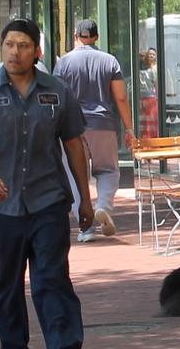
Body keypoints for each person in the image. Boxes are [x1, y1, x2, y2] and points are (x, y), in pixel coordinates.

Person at [0, 17, 95, 349]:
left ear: (37, 51)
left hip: (48, 201)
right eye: (9, 45)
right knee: (9, 281)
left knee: (51, 277)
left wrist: (85, 199)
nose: (15, 52)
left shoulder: (57, 91)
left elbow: (75, 145)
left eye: (23, 45)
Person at [54, 19, 132, 240]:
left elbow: (56, 98)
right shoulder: (110, 61)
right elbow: (121, 97)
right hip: (103, 123)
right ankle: (104, 208)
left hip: (72, 127)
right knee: (108, 170)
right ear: (97, 37)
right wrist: (129, 128)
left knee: (74, 174)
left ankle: (85, 228)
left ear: (76, 36)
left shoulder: (63, 63)